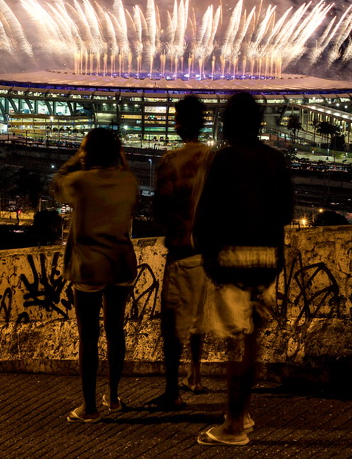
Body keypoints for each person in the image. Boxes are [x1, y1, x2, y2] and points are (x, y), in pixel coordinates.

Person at [193, 92, 294, 446]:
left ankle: (233, 424)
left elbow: (207, 214)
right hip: (267, 259)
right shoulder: (275, 160)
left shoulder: (224, 160)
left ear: (229, 124)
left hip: (231, 259)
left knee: (234, 344)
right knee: (251, 343)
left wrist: (208, 255)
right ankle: (243, 413)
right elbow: (285, 214)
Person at [52, 128, 139, 423]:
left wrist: (78, 157)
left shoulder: (80, 181)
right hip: (121, 262)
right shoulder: (128, 181)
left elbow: (56, 184)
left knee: (88, 337)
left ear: (88, 152)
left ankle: (89, 408)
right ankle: (113, 397)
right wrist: (121, 159)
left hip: (89, 266)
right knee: (116, 332)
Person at [148, 95, 212, 410]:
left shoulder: (171, 161)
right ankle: (195, 375)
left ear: (179, 122)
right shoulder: (213, 159)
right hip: (209, 251)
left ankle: (172, 391)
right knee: (199, 318)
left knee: (171, 324)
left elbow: (161, 206)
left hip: (181, 248)